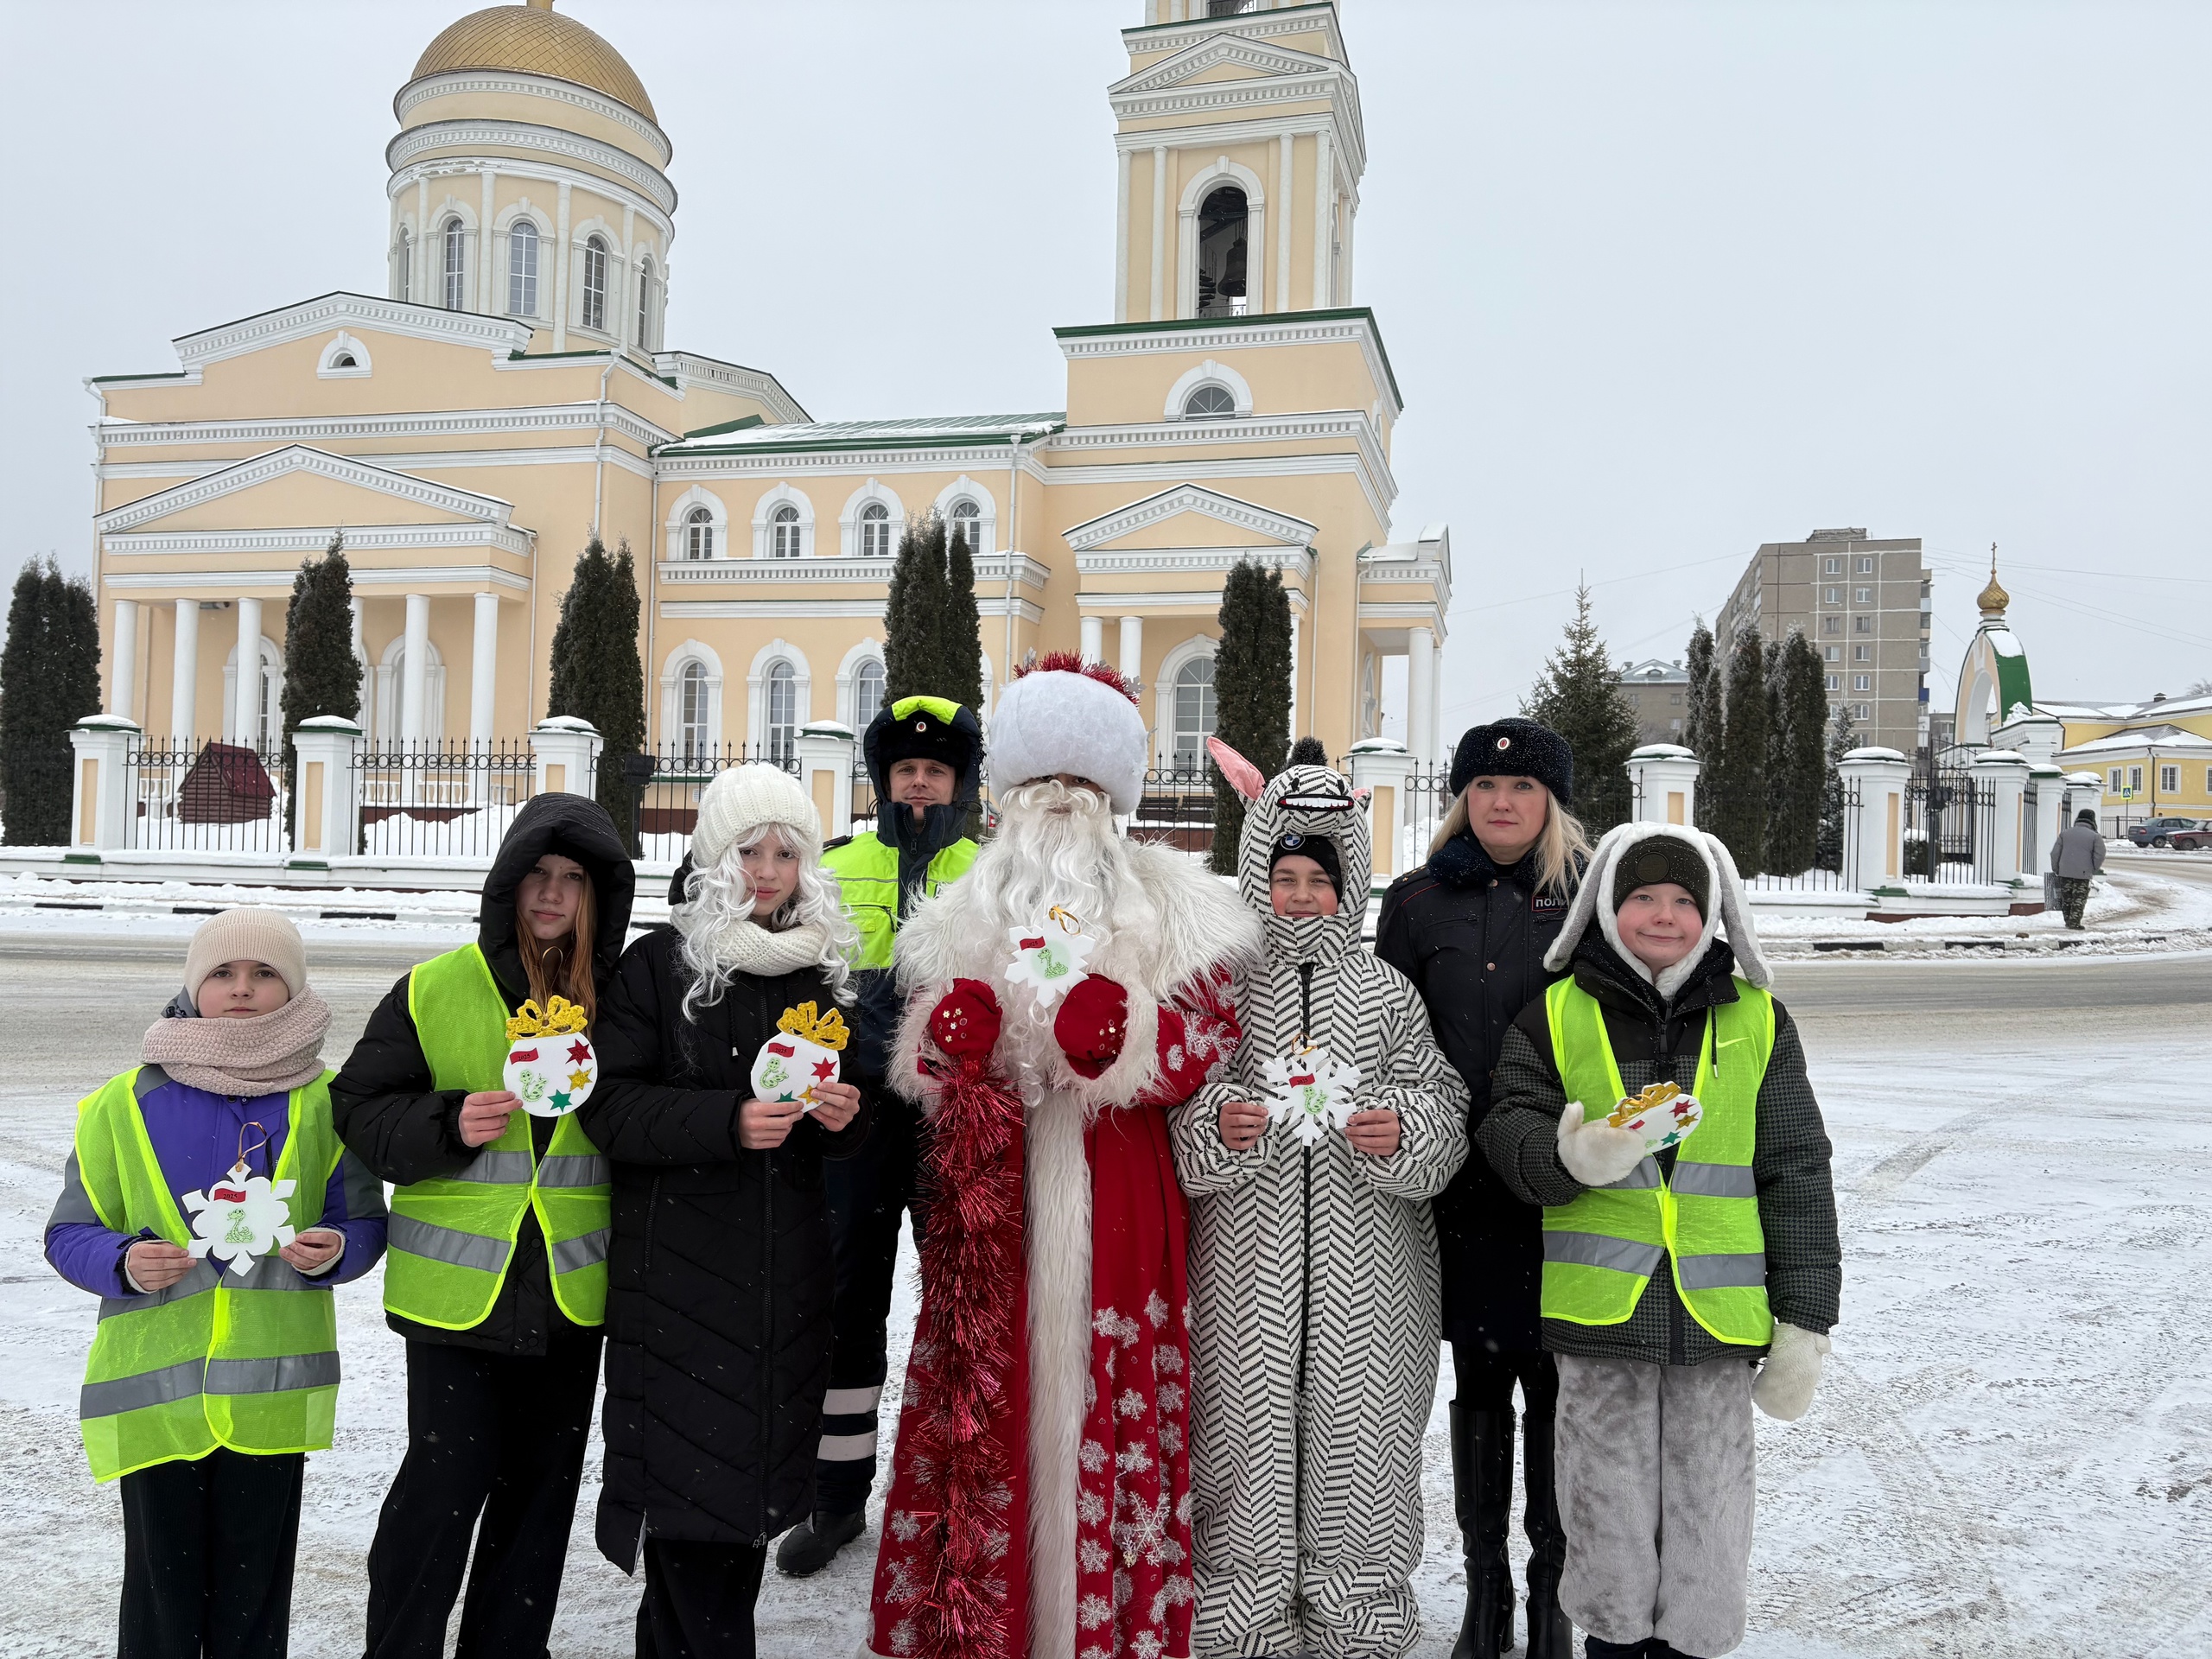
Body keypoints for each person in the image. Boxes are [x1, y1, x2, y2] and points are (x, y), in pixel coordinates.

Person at [861, 654, 1260, 1659]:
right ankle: (980, 1617)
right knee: (989, 1386)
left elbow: (1205, 1043)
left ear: (1113, 801)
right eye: (1042, 789)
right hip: (992, 1197)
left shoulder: (1175, 906)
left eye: (1080, 790)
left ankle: (1106, 1621)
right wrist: (946, 1045)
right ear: (1009, 798)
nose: (1059, 810)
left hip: (1120, 1188)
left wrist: (1122, 1041)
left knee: (1105, 1387)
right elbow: (920, 1049)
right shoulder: (964, 911)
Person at [1477, 823, 1841, 1659]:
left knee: (1711, 1513)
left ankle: (1693, 1648)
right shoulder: (1558, 1011)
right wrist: (1568, 1154)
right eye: (1643, 896)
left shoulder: (1758, 1020)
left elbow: (1797, 1170)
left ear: (1715, 914)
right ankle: (1609, 1646)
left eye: (1684, 900)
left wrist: (1805, 1321)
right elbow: (1507, 1126)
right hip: (1601, 1323)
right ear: (1608, 906)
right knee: (1603, 1513)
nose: (1664, 914)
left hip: (1718, 1324)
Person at [1173, 738, 1469, 1657]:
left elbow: (1444, 1105)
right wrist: (1215, 1123)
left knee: (1363, 1438)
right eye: (1287, 875)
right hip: (1240, 1267)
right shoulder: (1223, 989)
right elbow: (1175, 1105)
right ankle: (1241, 1595)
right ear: (1258, 872)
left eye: (1320, 879)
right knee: (1236, 1430)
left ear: (1352, 884)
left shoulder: (1387, 996)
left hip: (1372, 1274)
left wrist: (1403, 1129)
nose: (1302, 895)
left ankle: (1360, 1601)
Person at [334, 793, 634, 1659]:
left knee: (539, 1501)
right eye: (537, 874)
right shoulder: (435, 988)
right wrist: (444, 1121)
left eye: (572, 879)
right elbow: (356, 1108)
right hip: (457, 1294)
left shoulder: (619, 1002)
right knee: (443, 1485)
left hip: (573, 1292)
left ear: (596, 896)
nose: (551, 894)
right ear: (507, 882)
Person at [580, 764, 869, 1656]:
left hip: (781, 1283)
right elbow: (607, 1106)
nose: (770, 870)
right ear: (716, 856)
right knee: (694, 1505)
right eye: (751, 851)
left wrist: (843, 1118)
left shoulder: (818, 968)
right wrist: (725, 1120)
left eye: (787, 852)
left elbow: (837, 1121)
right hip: (679, 1281)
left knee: (734, 1512)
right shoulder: (660, 966)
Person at [46, 906, 385, 1659]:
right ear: (194, 986)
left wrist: (336, 1250)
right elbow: (69, 1232)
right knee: (162, 1601)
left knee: (254, 1598)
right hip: (155, 1401)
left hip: (268, 1401)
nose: (242, 988)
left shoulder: (327, 1103)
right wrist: (122, 1261)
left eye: (265, 974)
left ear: (293, 990)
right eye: (223, 974)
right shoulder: (122, 1103)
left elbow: (363, 1224)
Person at [1374, 717, 1588, 1659]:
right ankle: (1486, 1595)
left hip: (1556, 1180)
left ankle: (1552, 1595)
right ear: (1463, 799)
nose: (1503, 803)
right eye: (1486, 789)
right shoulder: (1417, 901)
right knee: (1478, 1386)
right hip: (1453, 1187)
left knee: (1554, 1389)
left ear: (1551, 805)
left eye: (1524, 789)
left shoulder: (1585, 899)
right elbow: (1381, 1031)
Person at [779, 696, 982, 1576]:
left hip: (955, 1118)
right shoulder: (838, 865)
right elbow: (805, 984)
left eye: (935, 771)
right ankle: (835, 1500)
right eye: (905, 769)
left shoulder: (994, 870)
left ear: (958, 782)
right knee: (846, 1306)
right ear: (882, 780)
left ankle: (955, 1500)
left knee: (961, 1311)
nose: (919, 783)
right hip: (855, 1119)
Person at [2050, 807, 2105, 930]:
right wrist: (2093, 868)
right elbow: (2099, 854)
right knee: (2079, 898)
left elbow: (2055, 853)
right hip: (2083, 872)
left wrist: (2057, 868)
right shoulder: (2095, 837)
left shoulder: (2065, 833)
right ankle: (2074, 922)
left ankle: (2068, 920)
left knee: (2067, 897)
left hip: (2065, 871)